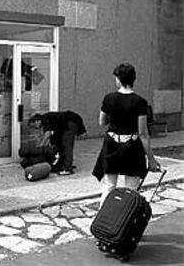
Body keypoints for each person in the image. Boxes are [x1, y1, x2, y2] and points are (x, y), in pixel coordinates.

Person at [92, 63, 158, 207]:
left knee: (108, 186)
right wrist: (151, 159)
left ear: (119, 79)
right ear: (133, 79)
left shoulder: (109, 98)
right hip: (132, 146)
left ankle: (103, 221)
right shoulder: (140, 102)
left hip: (112, 145)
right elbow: (143, 133)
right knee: (131, 190)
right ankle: (125, 223)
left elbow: (102, 122)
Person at [28, 110, 86, 176]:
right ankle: (63, 164)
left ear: (37, 121)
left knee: (66, 145)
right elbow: (49, 139)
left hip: (71, 121)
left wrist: (40, 147)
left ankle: (67, 169)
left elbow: (47, 134)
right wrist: (44, 149)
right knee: (58, 142)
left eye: (34, 126)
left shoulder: (44, 118)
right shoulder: (47, 120)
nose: (36, 129)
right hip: (68, 123)